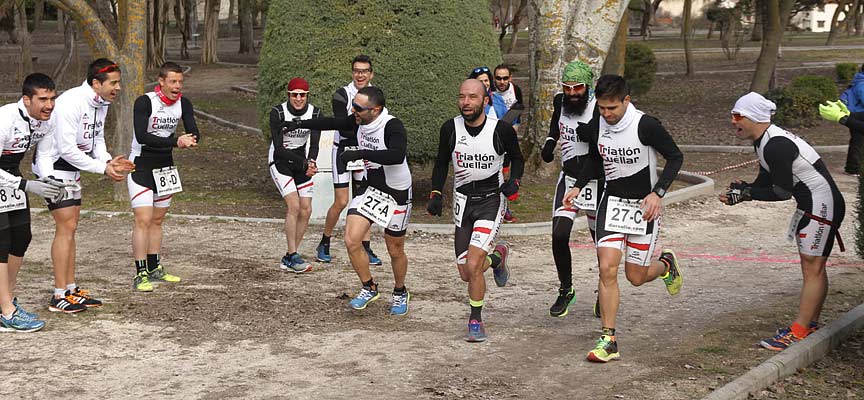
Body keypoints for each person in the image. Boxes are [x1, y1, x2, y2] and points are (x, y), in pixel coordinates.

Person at [563, 74, 683, 363]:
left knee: (635, 276)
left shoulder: (646, 125)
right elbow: (594, 159)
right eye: (602, 108)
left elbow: (676, 157)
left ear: (626, 101)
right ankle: (609, 338)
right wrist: (578, 185)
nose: (606, 114)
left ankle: (666, 265)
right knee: (606, 269)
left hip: (643, 207)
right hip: (611, 204)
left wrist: (658, 193)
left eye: (612, 108)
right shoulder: (597, 124)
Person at [724, 92, 845, 351]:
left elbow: (781, 192)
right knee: (814, 267)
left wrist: (747, 194)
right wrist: (743, 191)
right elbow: (765, 182)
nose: (733, 121)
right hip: (817, 204)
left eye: (737, 116)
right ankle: (810, 324)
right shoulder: (765, 140)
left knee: (812, 268)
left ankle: (799, 331)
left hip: (820, 205)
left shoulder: (776, 144)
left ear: (754, 117)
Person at [283, 87, 412, 315]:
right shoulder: (357, 120)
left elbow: (397, 155)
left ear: (376, 109)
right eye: (353, 105)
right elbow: (330, 122)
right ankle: (369, 286)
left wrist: (361, 153)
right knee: (351, 240)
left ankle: (400, 291)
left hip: (397, 193)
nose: (353, 111)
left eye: (358, 108)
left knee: (395, 249)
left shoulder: (392, 125)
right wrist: (299, 125)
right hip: (372, 189)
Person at [426, 79, 522, 342]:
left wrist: (514, 181)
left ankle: (475, 320)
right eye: (461, 97)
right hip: (462, 202)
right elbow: (442, 162)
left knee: (473, 262)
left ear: (485, 100)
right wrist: (435, 193)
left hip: (491, 200)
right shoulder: (450, 128)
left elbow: (517, 158)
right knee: (466, 273)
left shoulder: (500, 130)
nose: (466, 103)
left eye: (472, 97)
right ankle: (498, 258)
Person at [40, 58, 135, 312]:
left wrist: (107, 161)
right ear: (96, 83)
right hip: (54, 167)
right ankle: (59, 295)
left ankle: (70, 289)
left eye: (119, 82)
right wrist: (101, 168)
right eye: (113, 83)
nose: (118, 87)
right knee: (65, 227)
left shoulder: (100, 103)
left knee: (71, 228)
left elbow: (97, 139)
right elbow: (67, 150)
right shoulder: (72, 101)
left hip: (72, 169)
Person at [0, 73, 71, 332]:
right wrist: (27, 185)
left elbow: (44, 155)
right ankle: (7, 311)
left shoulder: (46, 121)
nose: (49, 105)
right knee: (1, 242)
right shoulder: (5, 118)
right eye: (43, 99)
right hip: (6, 178)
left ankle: (4, 300)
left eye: (52, 98)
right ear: (26, 99)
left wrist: (48, 179)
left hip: (11, 177)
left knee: (22, 237)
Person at [128, 62, 200, 292]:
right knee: (143, 219)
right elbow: (142, 136)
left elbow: (193, 130)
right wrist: (176, 141)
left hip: (165, 167)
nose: (177, 86)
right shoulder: (145, 102)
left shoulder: (183, 104)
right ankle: (140, 274)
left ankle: (154, 267)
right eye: (172, 81)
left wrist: (192, 138)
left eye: (180, 82)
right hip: (141, 165)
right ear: (161, 81)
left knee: (158, 220)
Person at [540, 60, 601, 318]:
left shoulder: (599, 107)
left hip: (595, 182)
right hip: (568, 178)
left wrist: (593, 134)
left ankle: (604, 289)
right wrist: (550, 141)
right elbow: (556, 123)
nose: (573, 93)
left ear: (588, 86)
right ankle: (566, 289)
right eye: (568, 88)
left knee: (602, 243)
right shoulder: (560, 101)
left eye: (578, 88)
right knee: (559, 235)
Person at [315, 55, 382, 266]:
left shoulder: (375, 95)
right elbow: (342, 125)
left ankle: (366, 246)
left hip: (364, 151)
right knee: (342, 201)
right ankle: (324, 241)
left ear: (371, 73)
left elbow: (379, 123)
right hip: (343, 151)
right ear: (352, 72)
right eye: (356, 70)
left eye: (364, 71)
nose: (360, 75)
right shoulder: (342, 94)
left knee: (365, 200)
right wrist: (363, 124)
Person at [268, 77, 321, 273]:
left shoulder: (315, 113)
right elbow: (279, 149)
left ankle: (291, 255)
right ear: (288, 95)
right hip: (280, 160)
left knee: (306, 209)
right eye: (294, 95)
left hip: (301, 159)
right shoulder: (278, 112)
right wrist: (304, 163)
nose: (298, 99)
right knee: (294, 205)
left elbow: (314, 143)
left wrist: (312, 162)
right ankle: (292, 255)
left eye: (302, 95)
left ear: (307, 96)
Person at [469, 66, 516, 222]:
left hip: (500, 145)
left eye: (486, 80)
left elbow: (509, 120)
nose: (485, 83)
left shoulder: (497, 99)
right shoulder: (470, 101)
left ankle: (504, 207)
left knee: (502, 175)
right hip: (479, 146)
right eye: (481, 81)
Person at [838, 64, 864, 175]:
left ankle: (854, 167)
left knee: (858, 142)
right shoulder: (861, 84)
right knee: (858, 142)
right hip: (857, 115)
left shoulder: (859, 81)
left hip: (856, 114)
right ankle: (853, 168)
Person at [492, 64, 524, 128]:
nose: (502, 82)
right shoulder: (490, 91)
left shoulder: (516, 90)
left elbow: (518, 111)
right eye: (498, 78)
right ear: (494, 78)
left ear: (510, 78)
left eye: (505, 78)